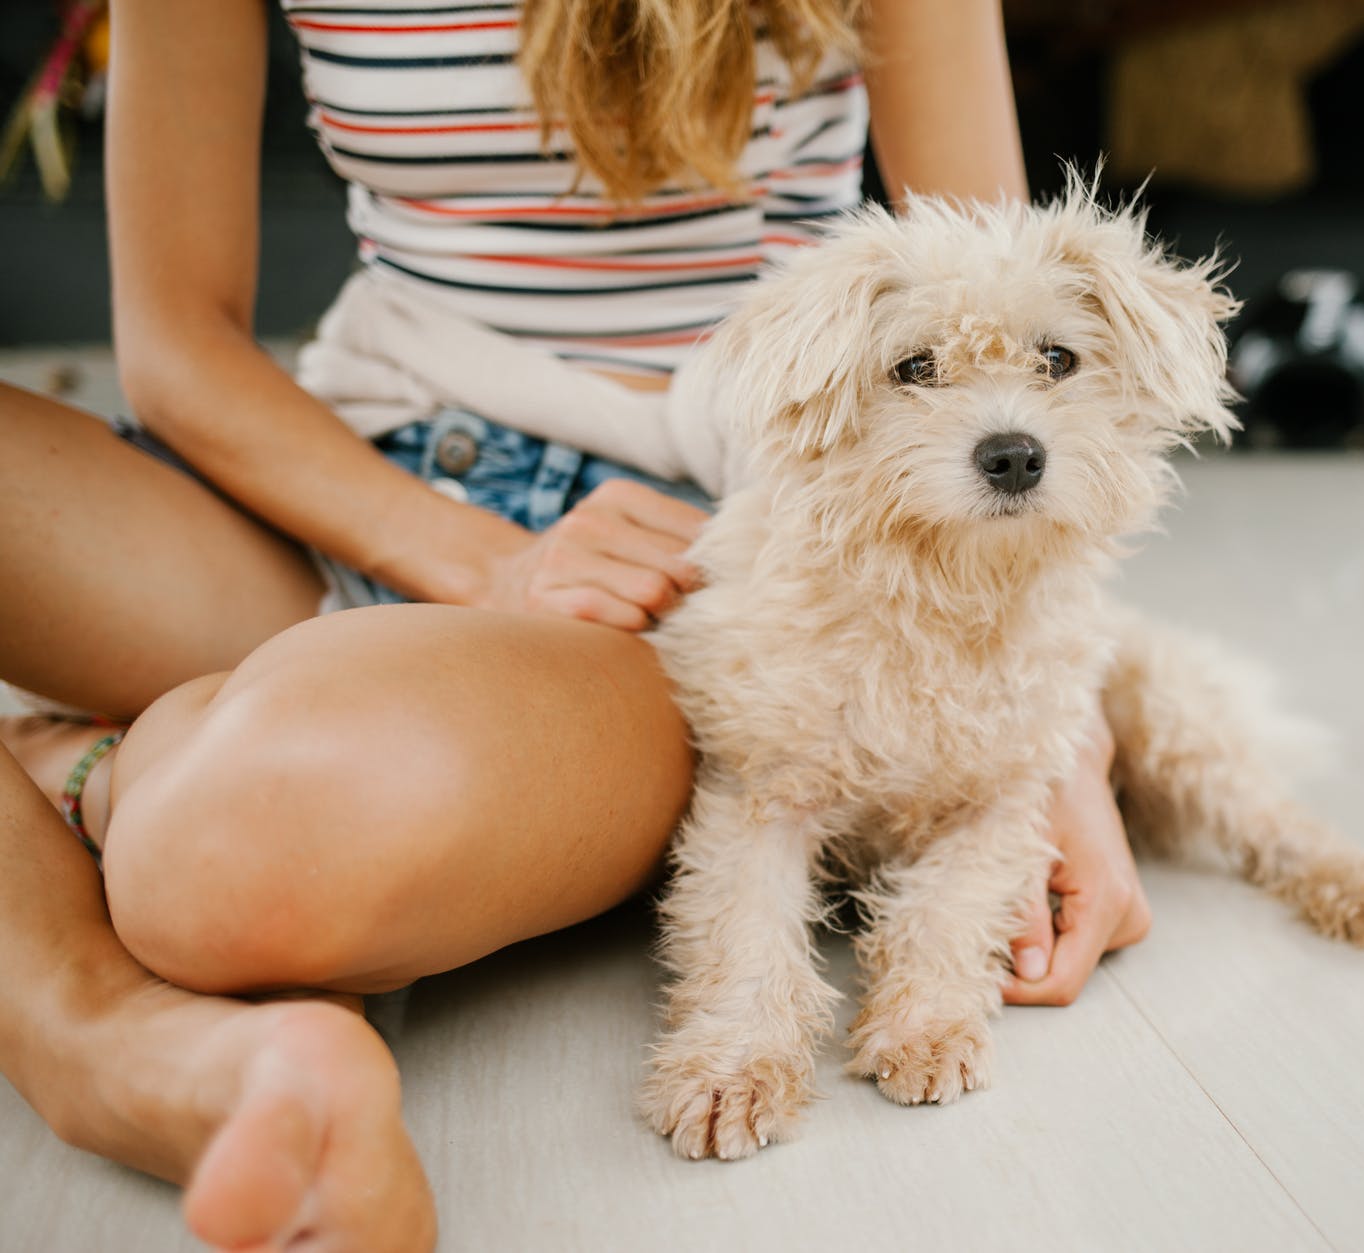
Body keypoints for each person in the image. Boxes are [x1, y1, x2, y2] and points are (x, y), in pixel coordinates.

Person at [0, 0, 1152, 1248]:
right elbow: (177, 341)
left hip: (687, 570)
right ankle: (87, 1018)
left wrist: (1044, 739)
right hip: (340, 478)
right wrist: (478, 558)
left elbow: (1010, 331)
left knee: (227, 864)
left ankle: (108, 892)